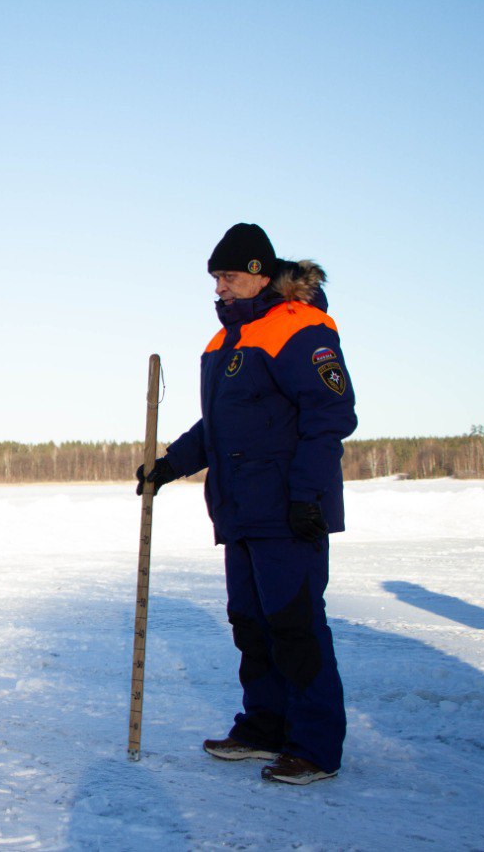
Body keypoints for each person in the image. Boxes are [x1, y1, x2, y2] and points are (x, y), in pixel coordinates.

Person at [137, 223, 356, 785]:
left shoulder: (299, 327)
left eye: (228, 277)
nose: (220, 289)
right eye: (215, 279)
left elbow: (330, 415)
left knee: (295, 625)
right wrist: (170, 465)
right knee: (251, 625)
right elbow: (220, 426)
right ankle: (265, 727)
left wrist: (308, 496)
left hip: (289, 511)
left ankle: (314, 746)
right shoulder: (225, 342)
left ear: (259, 274)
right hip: (240, 511)